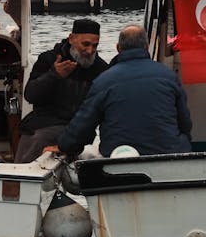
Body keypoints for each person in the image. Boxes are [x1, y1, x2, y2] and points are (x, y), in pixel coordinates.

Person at [57, 24, 192, 158]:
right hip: (170, 151)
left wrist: (64, 146)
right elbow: (185, 122)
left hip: (118, 154)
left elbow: (83, 124)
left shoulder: (103, 81)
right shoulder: (168, 76)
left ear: (118, 48)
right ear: (146, 47)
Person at [14, 18, 108, 163]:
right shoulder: (48, 59)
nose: (90, 51)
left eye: (95, 46)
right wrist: (54, 75)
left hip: (78, 128)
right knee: (35, 136)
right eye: (86, 44)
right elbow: (30, 95)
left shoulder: (100, 69)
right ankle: (19, 178)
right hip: (44, 122)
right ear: (71, 39)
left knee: (43, 136)